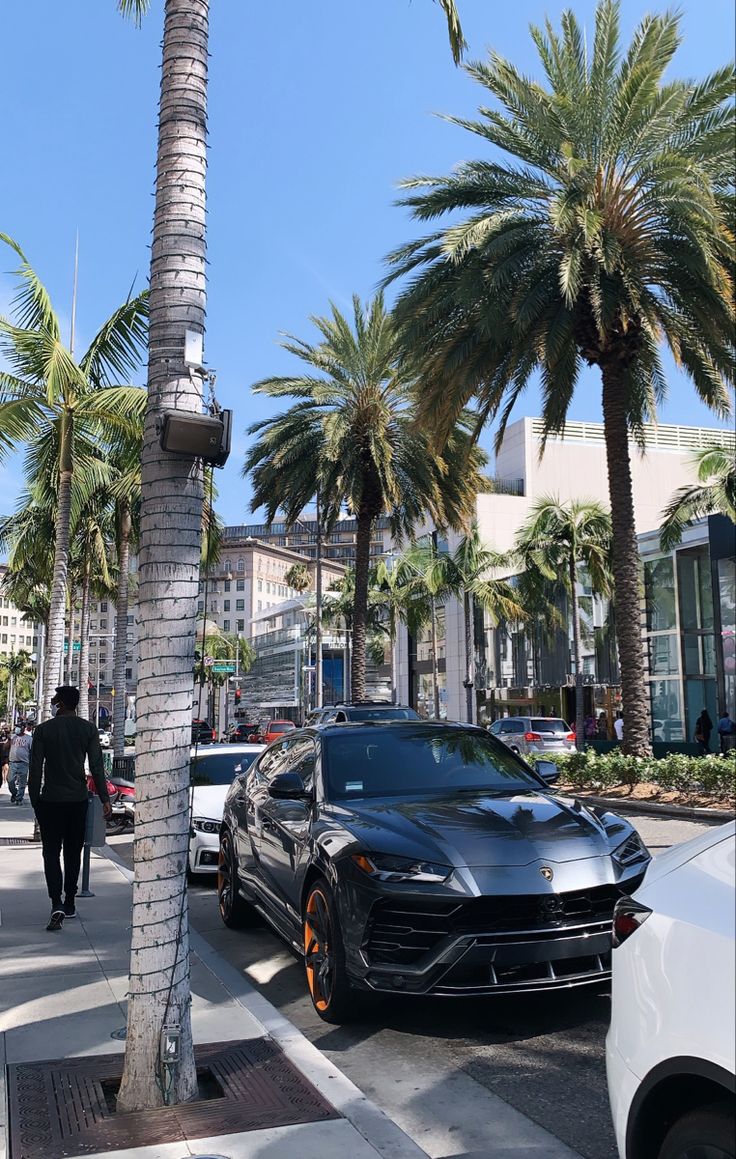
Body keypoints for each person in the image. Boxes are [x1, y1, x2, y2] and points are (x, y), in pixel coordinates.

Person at [29, 686, 111, 932]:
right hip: (77, 801)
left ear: (62, 703)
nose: (52, 702)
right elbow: (96, 766)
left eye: (55, 699)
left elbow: (35, 772)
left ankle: (56, 902)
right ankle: (70, 902)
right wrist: (105, 798)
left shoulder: (44, 730)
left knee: (51, 853)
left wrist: (36, 802)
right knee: (73, 852)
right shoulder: (87, 729)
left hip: (51, 801)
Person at [8, 721, 33, 804]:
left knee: (22, 782)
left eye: (19, 727)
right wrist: (8, 739)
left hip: (24, 763)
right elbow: (5, 747)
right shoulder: (12, 737)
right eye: (16, 727)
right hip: (13, 762)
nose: (17, 728)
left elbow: (32, 751)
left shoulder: (29, 738)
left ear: (23, 728)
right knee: (10, 781)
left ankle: (19, 798)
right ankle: (14, 793)